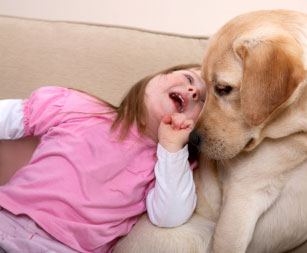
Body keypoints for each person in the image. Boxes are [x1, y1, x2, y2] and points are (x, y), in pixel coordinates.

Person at [0, 63, 206, 253]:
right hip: (7, 217)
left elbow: (169, 217)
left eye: (204, 101)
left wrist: (172, 147)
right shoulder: (80, 107)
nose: (194, 91)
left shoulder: (167, 163)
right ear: (156, 76)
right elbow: (8, 117)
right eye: (189, 78)